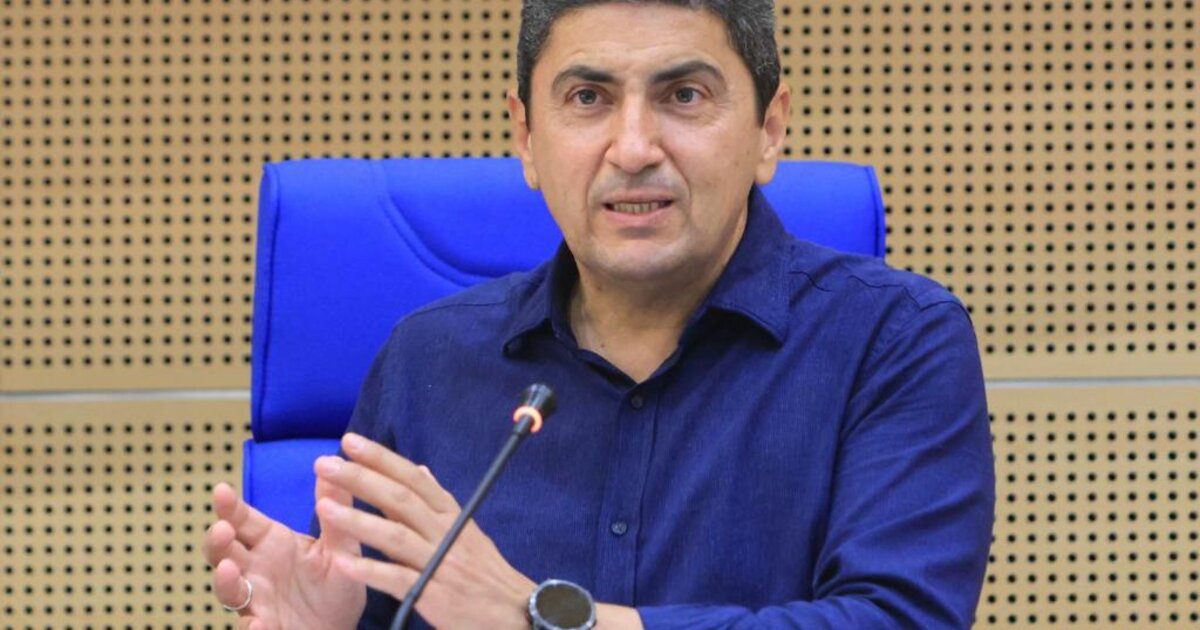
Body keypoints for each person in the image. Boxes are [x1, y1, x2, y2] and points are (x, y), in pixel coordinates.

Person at [203, 1, 995, 628]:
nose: (634, 147)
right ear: (526, 136)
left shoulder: (895, 340)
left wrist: (537, 617)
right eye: (589, 98)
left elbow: (898, 619)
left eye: (683, 96)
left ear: (769, 129)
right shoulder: (426, 360)